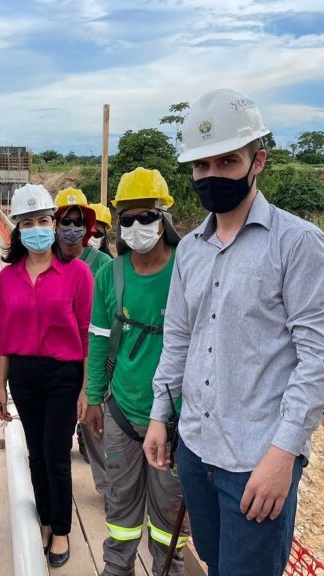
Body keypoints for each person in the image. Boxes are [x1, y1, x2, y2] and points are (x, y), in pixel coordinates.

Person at [143, 89, 324, 576]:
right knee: (215, 563)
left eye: (227, 161)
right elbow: (179, 338)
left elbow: (320, 357)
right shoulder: (190, 250)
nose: (212, 175)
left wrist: (283, 455)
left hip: (257, 460)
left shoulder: (298, 245)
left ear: (258, 161)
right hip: (196, 450)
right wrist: (159, 414)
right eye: (201, 165)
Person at [84, 168, 189, 576]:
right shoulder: (110, 275)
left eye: (146, 217)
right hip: (123, 411)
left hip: (176, 417)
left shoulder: (187, 269)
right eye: (127, 219)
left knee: (169, 516)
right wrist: (94, 397)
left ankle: (167, 570)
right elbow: (98, 340)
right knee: (120, 506)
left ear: (164, 218)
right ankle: (117, 569)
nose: (136, 226)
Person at [0, 183, 93, 568]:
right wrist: (0, 387)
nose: (36, 228)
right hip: (23, 375)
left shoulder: (78, 273)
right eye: (27, 222)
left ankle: (62, 528)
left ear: (52, 222)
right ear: (17, 229)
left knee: (56, 452)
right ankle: (46, 520)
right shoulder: (9, 276)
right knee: (36, 452)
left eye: (42, 220)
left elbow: (85, 333)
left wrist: (86, 388)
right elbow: (5, 332)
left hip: (64, 374)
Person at [52, 187, 111, 494]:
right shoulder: (46, 261)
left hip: (93, 356)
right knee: (57, 431)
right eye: (65, 221)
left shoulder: (102, 264)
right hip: (58, 358)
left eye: (78, 222)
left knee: (93, 423)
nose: (72, 228)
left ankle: (109, 491)